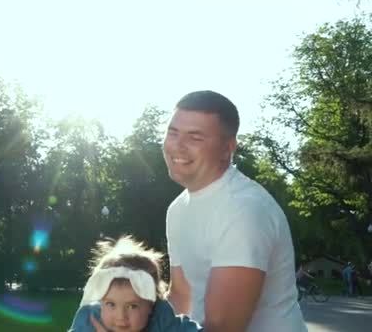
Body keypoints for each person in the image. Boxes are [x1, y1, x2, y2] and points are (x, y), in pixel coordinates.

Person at [163, 91, 307, 331]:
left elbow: (224, 326)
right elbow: (181, 296)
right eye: (172, 132)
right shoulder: (177, 208)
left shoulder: (244, 209)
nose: (178, 145)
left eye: (195, 137)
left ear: (227, 148)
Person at [69, 236, 201, 332]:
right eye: (111, 304)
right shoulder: (90, 320)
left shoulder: (161, 317)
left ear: (151, 305)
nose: (121, 317)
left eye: (132, 306)